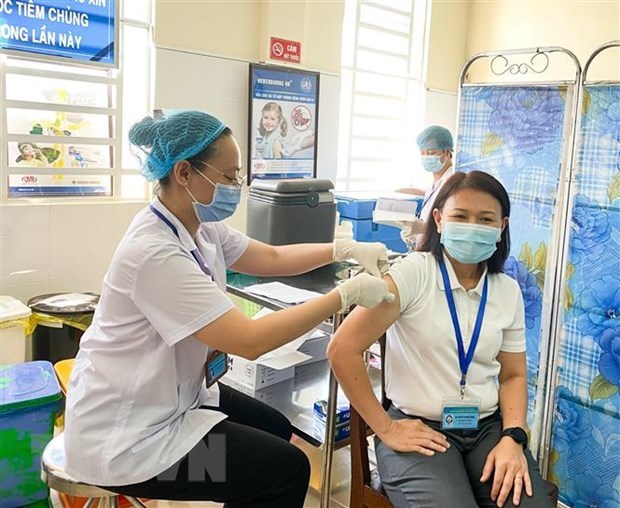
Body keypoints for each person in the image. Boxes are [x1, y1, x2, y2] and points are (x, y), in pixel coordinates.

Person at [63, 111, 395, 508]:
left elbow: (271, 257)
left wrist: (343, 249)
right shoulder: (153, 252)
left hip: (175, 399)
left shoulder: (198, 226)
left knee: (275, 426)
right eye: (229, 176)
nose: (236, 187)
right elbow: (249, 341)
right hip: (129, 445)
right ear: (184, 172)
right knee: (283, 470)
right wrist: (344, 295)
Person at [327, 171, 555, 508]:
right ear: (439, 219)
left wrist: (513, 437)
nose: (473, 226)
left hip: (487, 430)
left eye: (486, 219)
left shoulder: (507, 291)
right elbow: (342, 349)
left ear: (502, 226)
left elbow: (513, 375)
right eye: (461, 216)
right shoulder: (414, 272)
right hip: (418, 428)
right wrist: (385, 427)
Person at [396, 125, 455, 248]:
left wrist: (423, 228)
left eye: (431, 153)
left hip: (441, 250)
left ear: (447, 152)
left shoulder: (454, 182)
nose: (426, 157)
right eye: (422, 153)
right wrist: (415, 234)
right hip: (426, 248)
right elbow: (431, 196)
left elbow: (454, 227)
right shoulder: (436, 182)